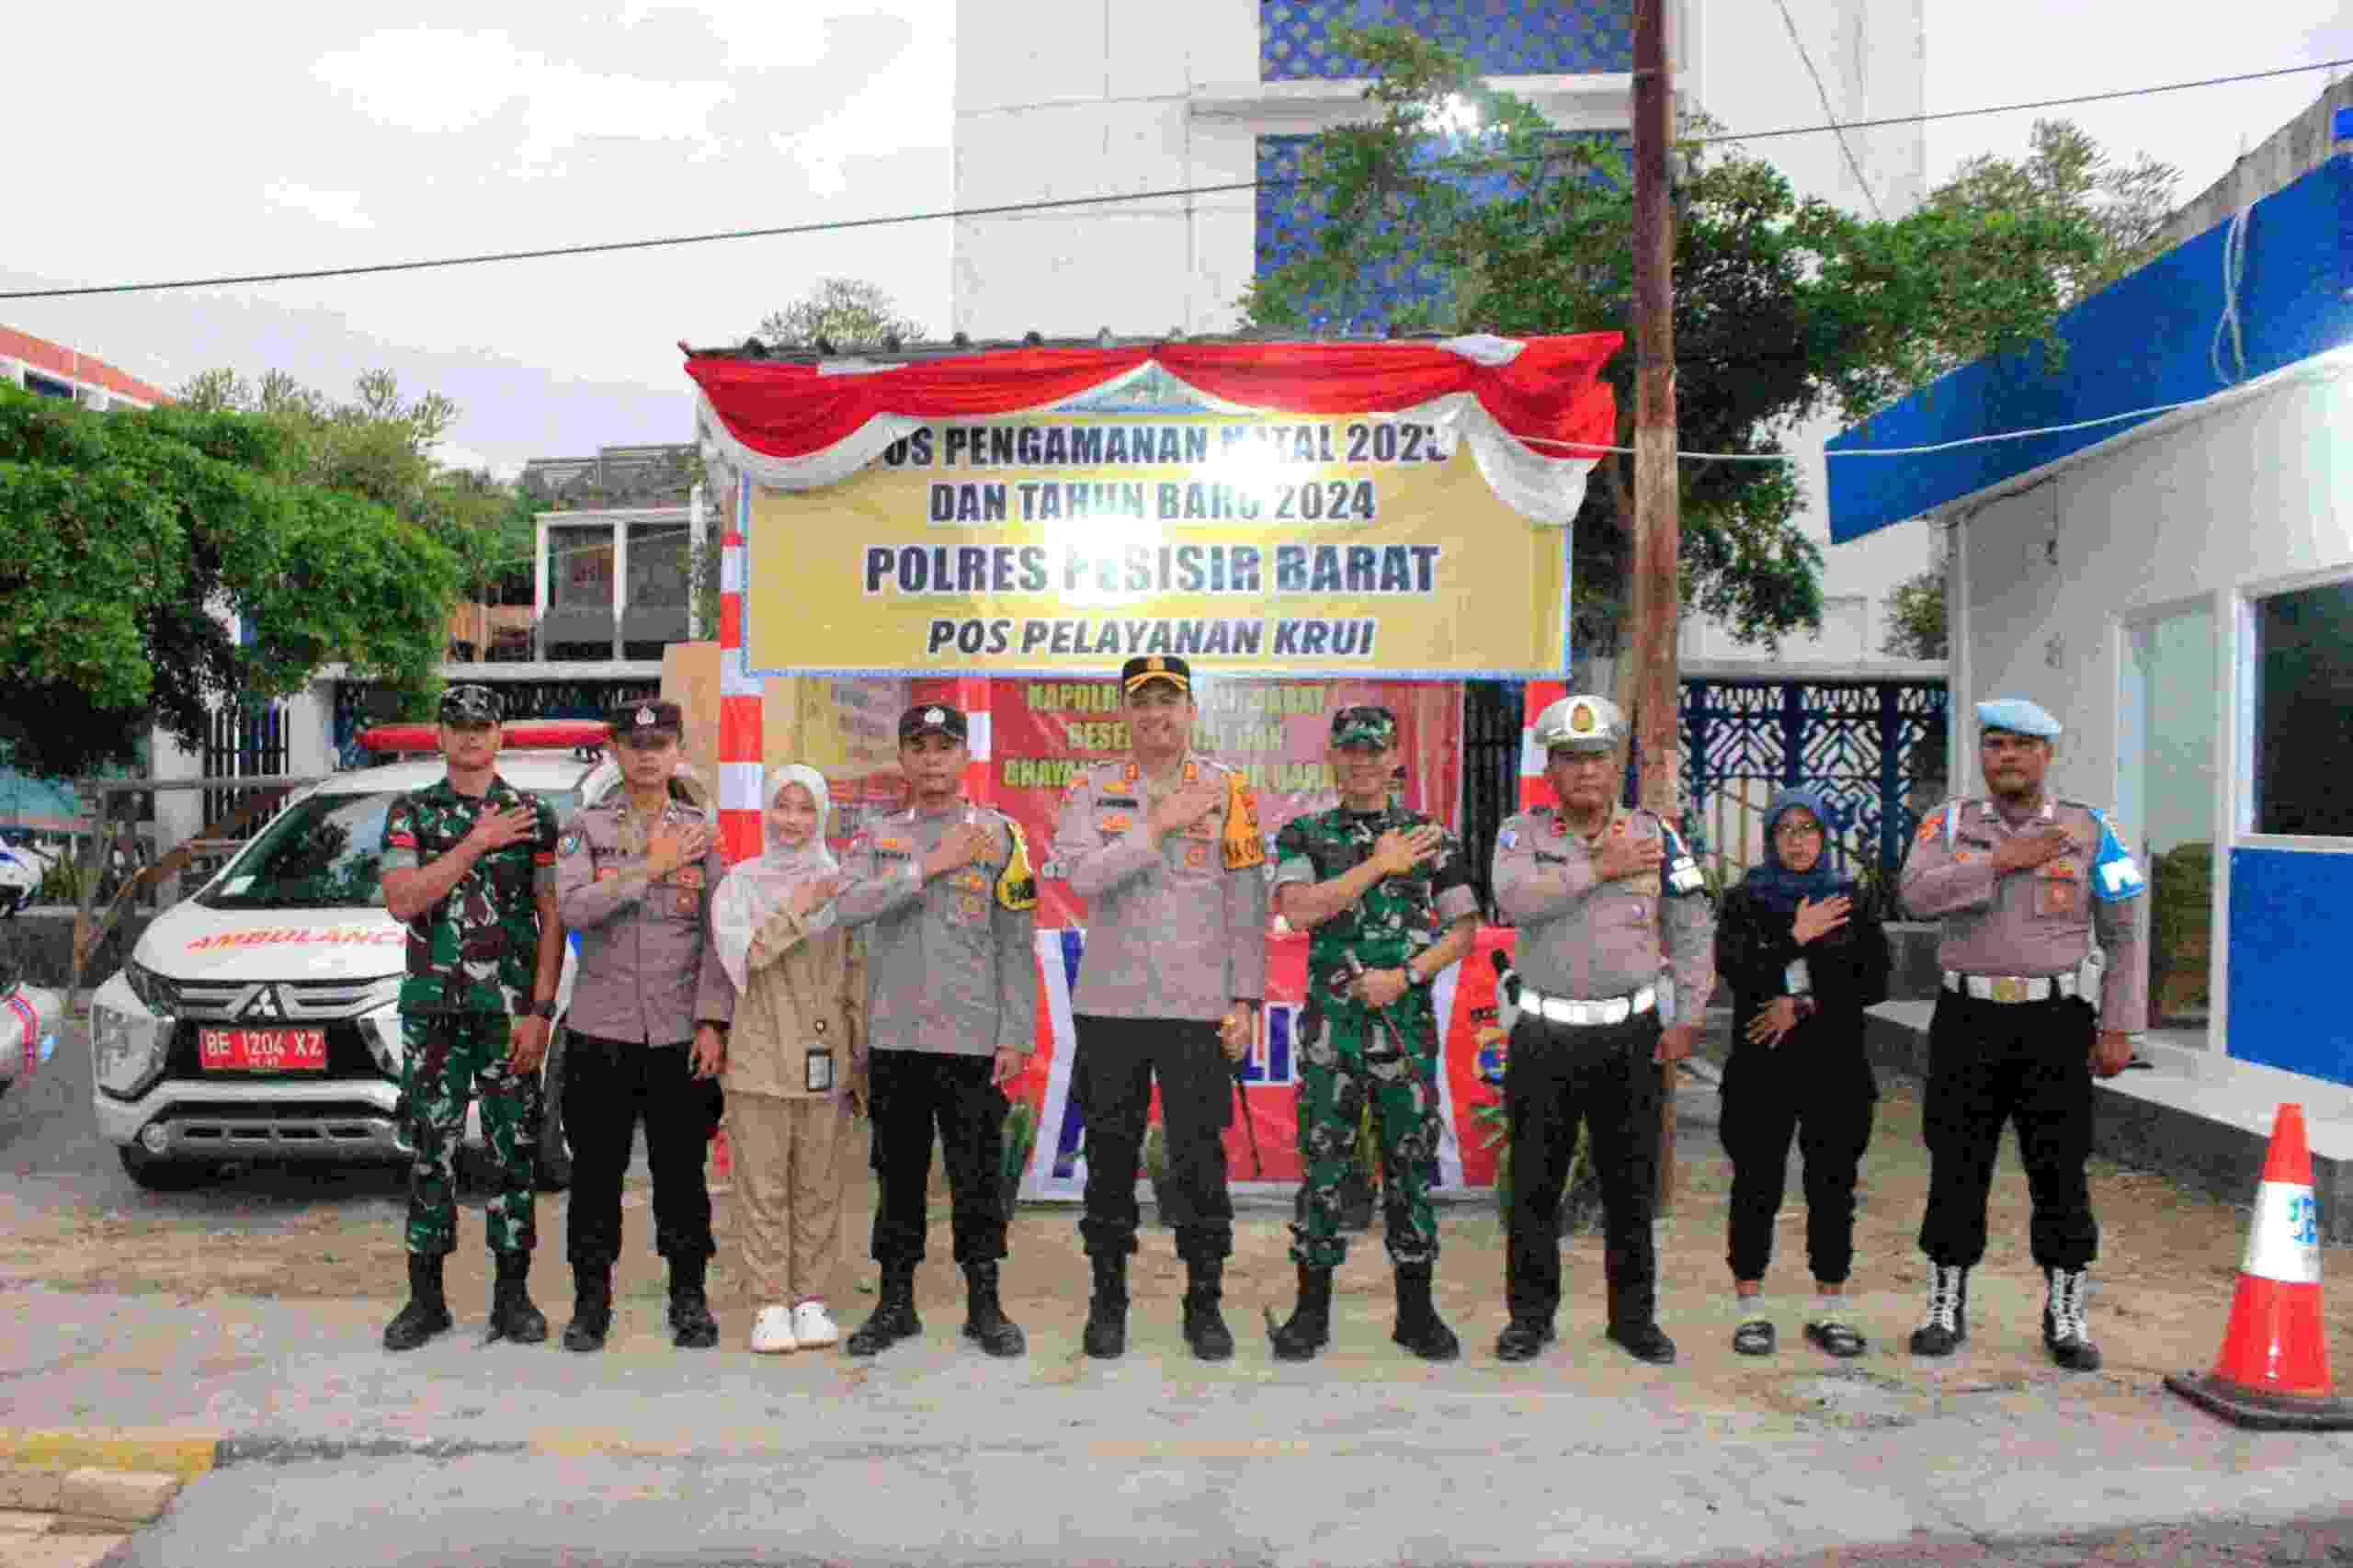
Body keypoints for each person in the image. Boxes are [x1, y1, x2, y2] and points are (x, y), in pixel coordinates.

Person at [1898, 698, 2146, 1370]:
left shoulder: (2090, 829)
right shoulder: (1948, 824)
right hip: (1967, 1018)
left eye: (2021, 745)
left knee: (2060, 1168)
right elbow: (1914, 897)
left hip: (2055, 1023)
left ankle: (2066, 1313)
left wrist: (2119, 1024)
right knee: (1956, 1164)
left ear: (2046, 754)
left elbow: (2124, 934)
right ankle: (1943, 1304)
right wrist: (2002, 861)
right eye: (1995, 744)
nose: (2006, 756)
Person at [1050, 654, 1267, 1361]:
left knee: (1199, 1163)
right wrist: (1158, 826)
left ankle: (1204, 1303)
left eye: (1168, 701)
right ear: (1124, 712)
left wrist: (1246, 1000)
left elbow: (1246, 901)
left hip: (1198, 1010)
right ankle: (1107, 1301)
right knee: (1109, 1158)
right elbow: (1083, 877)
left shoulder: (1227, 790)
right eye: (1142, 702)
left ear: (1190, 711)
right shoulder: (1090, 790)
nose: (1156, 715)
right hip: (1111, 1007)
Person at [1488, 693, 1713, 1366]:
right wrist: (1600, 869)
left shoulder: (1656, 836)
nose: (1585, 770)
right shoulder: (1522, 835)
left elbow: (1692, 927)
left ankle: (1633, 1319)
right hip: (1545, 1034)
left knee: (1630, 1186)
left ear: (1616, 767)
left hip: (1630, 1036)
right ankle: (1530, 1319)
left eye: (1597, 757)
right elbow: (1514, 899)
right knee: (1534, 1185)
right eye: (1570, 758)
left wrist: (1690, 1014)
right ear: (1550, 772)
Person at [1265, 704, 1478, 1361]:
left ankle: (1416, 1314)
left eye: (1375, 750)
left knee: (1410, 1166)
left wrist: (1405, 976)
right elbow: (1299, 911)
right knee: (1323, 1165)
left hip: (1403, 1027)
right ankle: (1311, 1314)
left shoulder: (1431, 837)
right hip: (1332, 1034)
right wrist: (1379, 864)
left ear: (1394, 759)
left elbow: (1462, 931)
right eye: (1351, 750)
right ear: (1333, 757)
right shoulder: (1305, 834)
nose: (1362, 762)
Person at [834, 703, 1038, 1358]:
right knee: (897, 1178)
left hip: (973, 1040)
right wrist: (926, 867)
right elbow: (847, 905)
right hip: (896, 1037)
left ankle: (985, 1305)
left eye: (943, 747)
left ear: (964, 757)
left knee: (977, 1178)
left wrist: (1016, 1034)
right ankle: (895, 1304)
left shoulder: (1001, 836)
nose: (931, 760)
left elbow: (1016, 942)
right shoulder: (878, 837)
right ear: (902, 758)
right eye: (918, 748)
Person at [377, 684, 564, 1352]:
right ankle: (425, 1300)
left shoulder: (534, 815)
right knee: (431, 1151)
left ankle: (513, 1299)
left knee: (514, 1153)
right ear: (440, 736)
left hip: (507, 1014)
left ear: (500, 735)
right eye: (458, 725)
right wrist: (475, 844)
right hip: (434, 1012)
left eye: (482, 725)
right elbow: (402, 899)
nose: (470, 736)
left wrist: (541, 1010)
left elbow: (551, 917)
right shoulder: (411, 812)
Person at [552, 700, 734, 1352]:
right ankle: (590, 1302)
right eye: (635, 744)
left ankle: (689, 1296)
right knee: (595, 1176)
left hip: (680, 1033)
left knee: (681, 1175)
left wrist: (713, 1022)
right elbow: (574, 908)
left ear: (678, 750)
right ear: (616, 751)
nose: (648, 756)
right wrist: (649, 867)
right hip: (601, 1031)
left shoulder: (703, 833)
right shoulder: (585, 828)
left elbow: (720, 935)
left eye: (660, 744)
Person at [1712, 789, 1892, 1358]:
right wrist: (1796, 934)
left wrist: (1805, 1003)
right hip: (1761, 1064)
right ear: (1770, 838)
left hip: (1834, 1062)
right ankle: (1750, 1309)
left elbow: (1875, 980)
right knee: (1756, 1183)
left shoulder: (1850, 899)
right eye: (1786, 829)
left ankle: (1830, 1308)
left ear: (1824, 835)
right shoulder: (1745, 900)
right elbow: (1735, 969)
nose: (1798, 841)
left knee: (1832, 1186)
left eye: (1808, 828)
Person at [710, 766, 866, 1355]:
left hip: (824, 1060)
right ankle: (770, 1302)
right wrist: (799, 907)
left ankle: (810, 1299)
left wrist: (859, 1059)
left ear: (821, 816)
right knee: (762, 1187)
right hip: (758, 1058)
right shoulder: (740, 885)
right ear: (766, 812)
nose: (793, 821)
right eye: (783, 806)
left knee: (819, 1187)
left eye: (805, 809)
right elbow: (748, 957)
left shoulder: (842, 886)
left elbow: (856, 977)